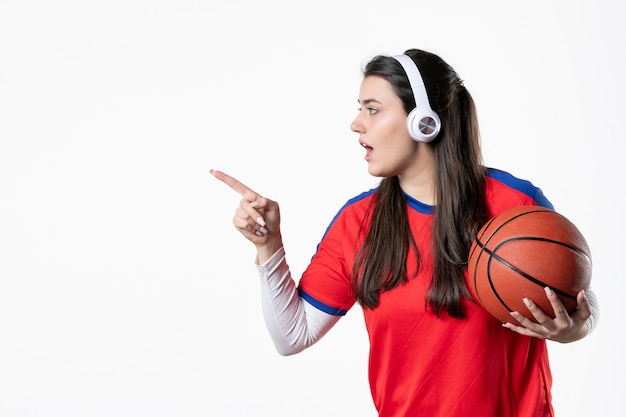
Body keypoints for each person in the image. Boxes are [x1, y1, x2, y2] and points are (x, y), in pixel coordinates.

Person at [210, 48, 599, 417]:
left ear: (423, 122)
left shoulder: (516, 204)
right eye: (359, 110)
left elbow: (581, 301)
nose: (356, 124)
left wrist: (575, 328)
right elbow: (292, 336)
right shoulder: (357, 222)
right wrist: (268, 246)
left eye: (373, 110)